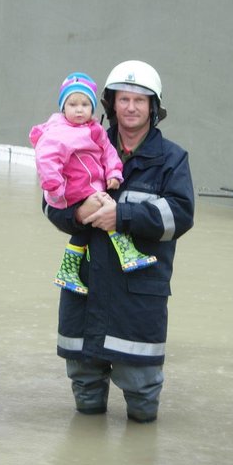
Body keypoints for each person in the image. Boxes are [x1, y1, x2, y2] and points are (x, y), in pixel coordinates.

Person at [42, 60, 195, 423]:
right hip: (85, 289)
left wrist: (121, 217)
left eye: (139, 100)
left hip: (138, 296)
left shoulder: (171, 160)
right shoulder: (79, 143)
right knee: (84, 387)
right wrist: (77, 215)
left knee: (141, 395)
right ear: (110, 104)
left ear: (153, 107)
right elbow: (51, 202)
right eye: (123, 99)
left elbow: (181, 216)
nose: (130, 107)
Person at [29, 72, 157, 295]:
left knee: (98, 214)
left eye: (85, 104)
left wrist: (114, 172)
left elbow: (107, 153)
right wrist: (59, 192)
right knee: (102, 208)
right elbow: (46, 159)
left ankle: (68, 270)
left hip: (93, 187)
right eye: (73, 104)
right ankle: (126, 252)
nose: (79, 109)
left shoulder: (96, 131)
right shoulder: (57, 132)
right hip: (72, 190)